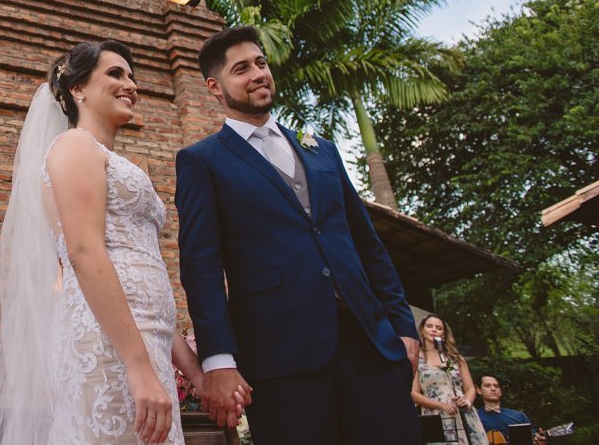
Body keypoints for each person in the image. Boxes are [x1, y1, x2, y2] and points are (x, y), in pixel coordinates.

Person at [0, 41, 209, 445]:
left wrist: (195, 375)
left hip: (145, 341)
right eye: (115, 74)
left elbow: (143, 282)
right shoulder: (74, 147)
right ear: (78, 90)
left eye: (132, 76)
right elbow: (84, 254)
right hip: (107, 344)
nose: (131, 84)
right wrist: (137, 368)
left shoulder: (109, 158)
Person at [174, 25, 420, 445]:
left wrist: (404, 327)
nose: (258, 74)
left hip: (370, 345)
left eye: (261, 63)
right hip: (281, 356)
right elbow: (201, 266)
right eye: (241, 69)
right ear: (215, 87)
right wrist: (218, 359)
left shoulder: (320, 149)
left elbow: (366, 244)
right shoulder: (202, 161)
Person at [411, 314, 488, 444]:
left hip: (461, 413)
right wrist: (440, 405)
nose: (434, 330)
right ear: (422, 332)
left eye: (439, 328)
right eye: (429, 326)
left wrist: (467, 402)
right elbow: (414, 393)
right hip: (434, 414)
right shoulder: (417, 359)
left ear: (443, 334)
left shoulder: (456, 358)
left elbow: (469, 388)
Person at [476, 374, 546, 445]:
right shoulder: (474, 417)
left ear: (500, 391)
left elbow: (532, 439)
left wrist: (540, 442)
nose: (493, 389)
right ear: (479, 390)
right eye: (487, 386)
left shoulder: (518, 416)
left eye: (496, 386)